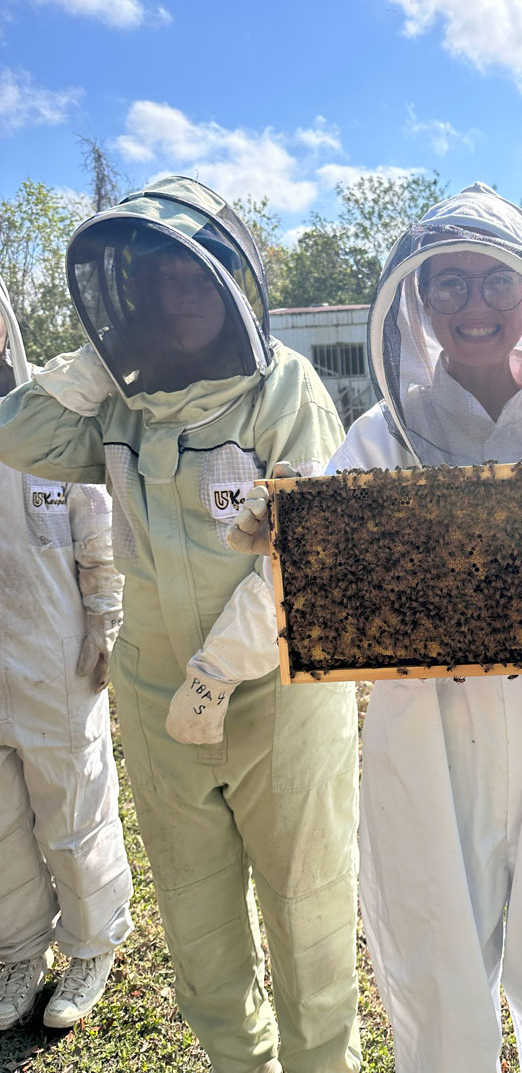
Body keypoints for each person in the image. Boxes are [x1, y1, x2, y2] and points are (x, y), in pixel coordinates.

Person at [231, 182, 522, 1073]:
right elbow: (314, 606)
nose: (473, 305)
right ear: (417, 303)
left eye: (494, 281)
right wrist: (281, 550)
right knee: (437, 980)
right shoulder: (375, 440)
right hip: (425, 740)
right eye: (446, 285)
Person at [0, 177, 361, 1073]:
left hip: (279, 700)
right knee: (199, 928)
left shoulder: (288, 391)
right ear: (134, 295)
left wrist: (220, 671)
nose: (181, 296)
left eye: (196, 275)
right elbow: (18, 436)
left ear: (234, 280)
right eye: (158, 282)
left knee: (307, 917)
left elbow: (307, 551)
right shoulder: (116, 405)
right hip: (160, 702)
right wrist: (92, 359)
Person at [0, 275, 132, 1031]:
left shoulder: (50, 414)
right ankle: (17, 951)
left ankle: (91, 946)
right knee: (3, 823)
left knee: (74, 810)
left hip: (56, 654)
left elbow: (98, 525)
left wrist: (102, 623)